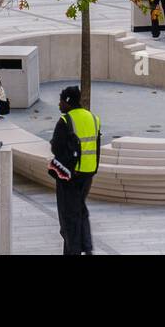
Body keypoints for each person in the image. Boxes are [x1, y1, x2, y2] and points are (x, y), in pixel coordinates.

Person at [49, 84, 101, 255]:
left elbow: (55, 147)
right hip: (88, 173)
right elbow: (97, 146)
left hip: (70, 175)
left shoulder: (66, 120)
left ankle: (74, 251)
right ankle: (87, 247)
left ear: (68, 102)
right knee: (80, 209)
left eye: (61, 101)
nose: (59, 105)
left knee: (69, 216)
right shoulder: (94, 118)